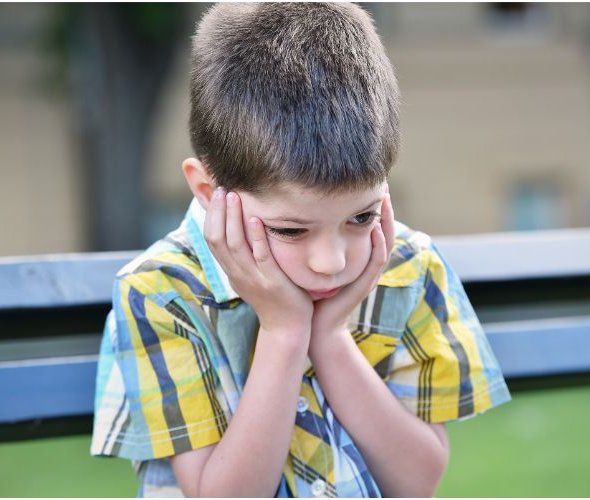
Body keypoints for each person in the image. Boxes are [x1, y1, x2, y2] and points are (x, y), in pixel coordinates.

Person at [90, 3, 511, 497]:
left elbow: (417, 482)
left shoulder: (409, 269)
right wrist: (285, 331)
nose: (331, 261)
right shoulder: (161, 293)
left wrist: (330, 338)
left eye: (361, 216)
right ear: (209, 192)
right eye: (291, 231)